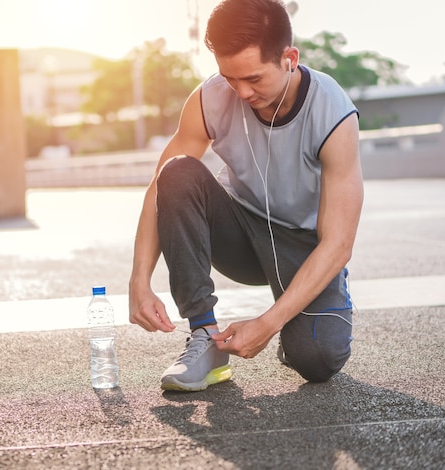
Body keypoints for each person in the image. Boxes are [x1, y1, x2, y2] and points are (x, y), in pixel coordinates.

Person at [128, 0, 363, 392]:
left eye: (253, 78)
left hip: (304, 247)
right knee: (176, 171)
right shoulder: (209, 98)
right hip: (238, 234)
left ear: (289, 58)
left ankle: (298, 328)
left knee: (318, 359)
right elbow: (159, 187)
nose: (240, 91)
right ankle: (205, 338)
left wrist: (268, 324)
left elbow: (339, 243)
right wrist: (139, 279)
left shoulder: (333, 111)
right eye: (229, 77)